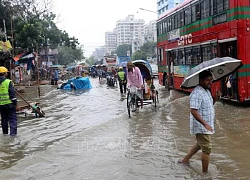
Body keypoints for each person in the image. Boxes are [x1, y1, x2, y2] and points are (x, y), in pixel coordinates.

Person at [178, 70, 221, 173]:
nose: (210, 82)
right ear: (201, 80)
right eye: (208, 80)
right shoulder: (196, 93)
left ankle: (185, 160)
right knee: (206, 149)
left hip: (207, 124)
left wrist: (216, 98)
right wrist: (205, 124)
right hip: (202, 126)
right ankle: (205, 174)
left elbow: (209, 105)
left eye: (211, 80)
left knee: (199, 144)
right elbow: (193, 111)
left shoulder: (206, 91)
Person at [0, 66, 17, 136]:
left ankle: (5, 134)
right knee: (12, 120)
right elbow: (12, 94)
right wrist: (15, 103)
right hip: (10, 104)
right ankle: (13, 136)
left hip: (1, 105)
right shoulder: (8, 82)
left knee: (4, 120)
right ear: (4, 73)